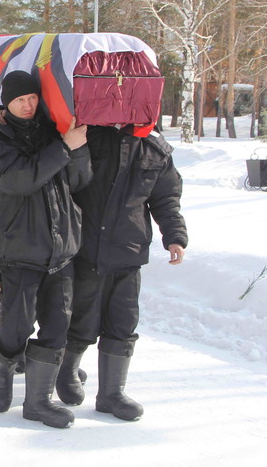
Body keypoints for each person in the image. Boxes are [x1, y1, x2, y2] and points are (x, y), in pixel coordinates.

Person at [0, 70, 90, 429]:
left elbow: (79, 180)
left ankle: (38, 402)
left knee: (58, 325)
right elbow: (18, 180)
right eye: (19, 100)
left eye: (32, 98)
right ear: (5, 103)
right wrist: (63, 148)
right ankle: (2, 364)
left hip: (61, 248)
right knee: (17, 326)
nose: (28, 105)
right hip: (19, 247)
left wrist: (78, 148)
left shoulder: (51, 128)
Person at [55, 126, 188, 422]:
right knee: (82, 318)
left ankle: (111, 394)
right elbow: (68, 184)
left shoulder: (153, 147)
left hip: (129, 250)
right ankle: (66, 369)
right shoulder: (87, 135)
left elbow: (166, 198)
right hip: (87, 247)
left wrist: (175, 235)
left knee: (123, 322)